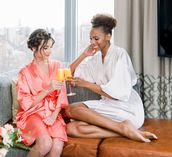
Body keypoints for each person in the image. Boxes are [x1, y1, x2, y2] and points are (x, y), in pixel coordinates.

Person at [65, 14, 157, 142]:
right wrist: (83, 55)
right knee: (71, 129)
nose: (92, 42)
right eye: (90, 38)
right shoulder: (94, 59)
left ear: (108, 36)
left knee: (70, 109)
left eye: (96, 38)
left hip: (127, 108)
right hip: (109, 107)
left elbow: (117, 94)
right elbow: (68, 74)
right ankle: (123, 130)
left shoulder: (120, 55)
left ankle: (125, 126)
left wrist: (85, 84)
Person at [16, 29, 68, 157]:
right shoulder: (25, 72)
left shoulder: (57, 66)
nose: (49, 51)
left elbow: (62, 96)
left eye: (50, 47)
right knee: (45, 143)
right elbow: (26, 104)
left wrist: (53, 116)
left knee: (56, 149)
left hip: (53, 113)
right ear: (33, 48)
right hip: (32, 113)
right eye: (45, 48)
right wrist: (48, 89)